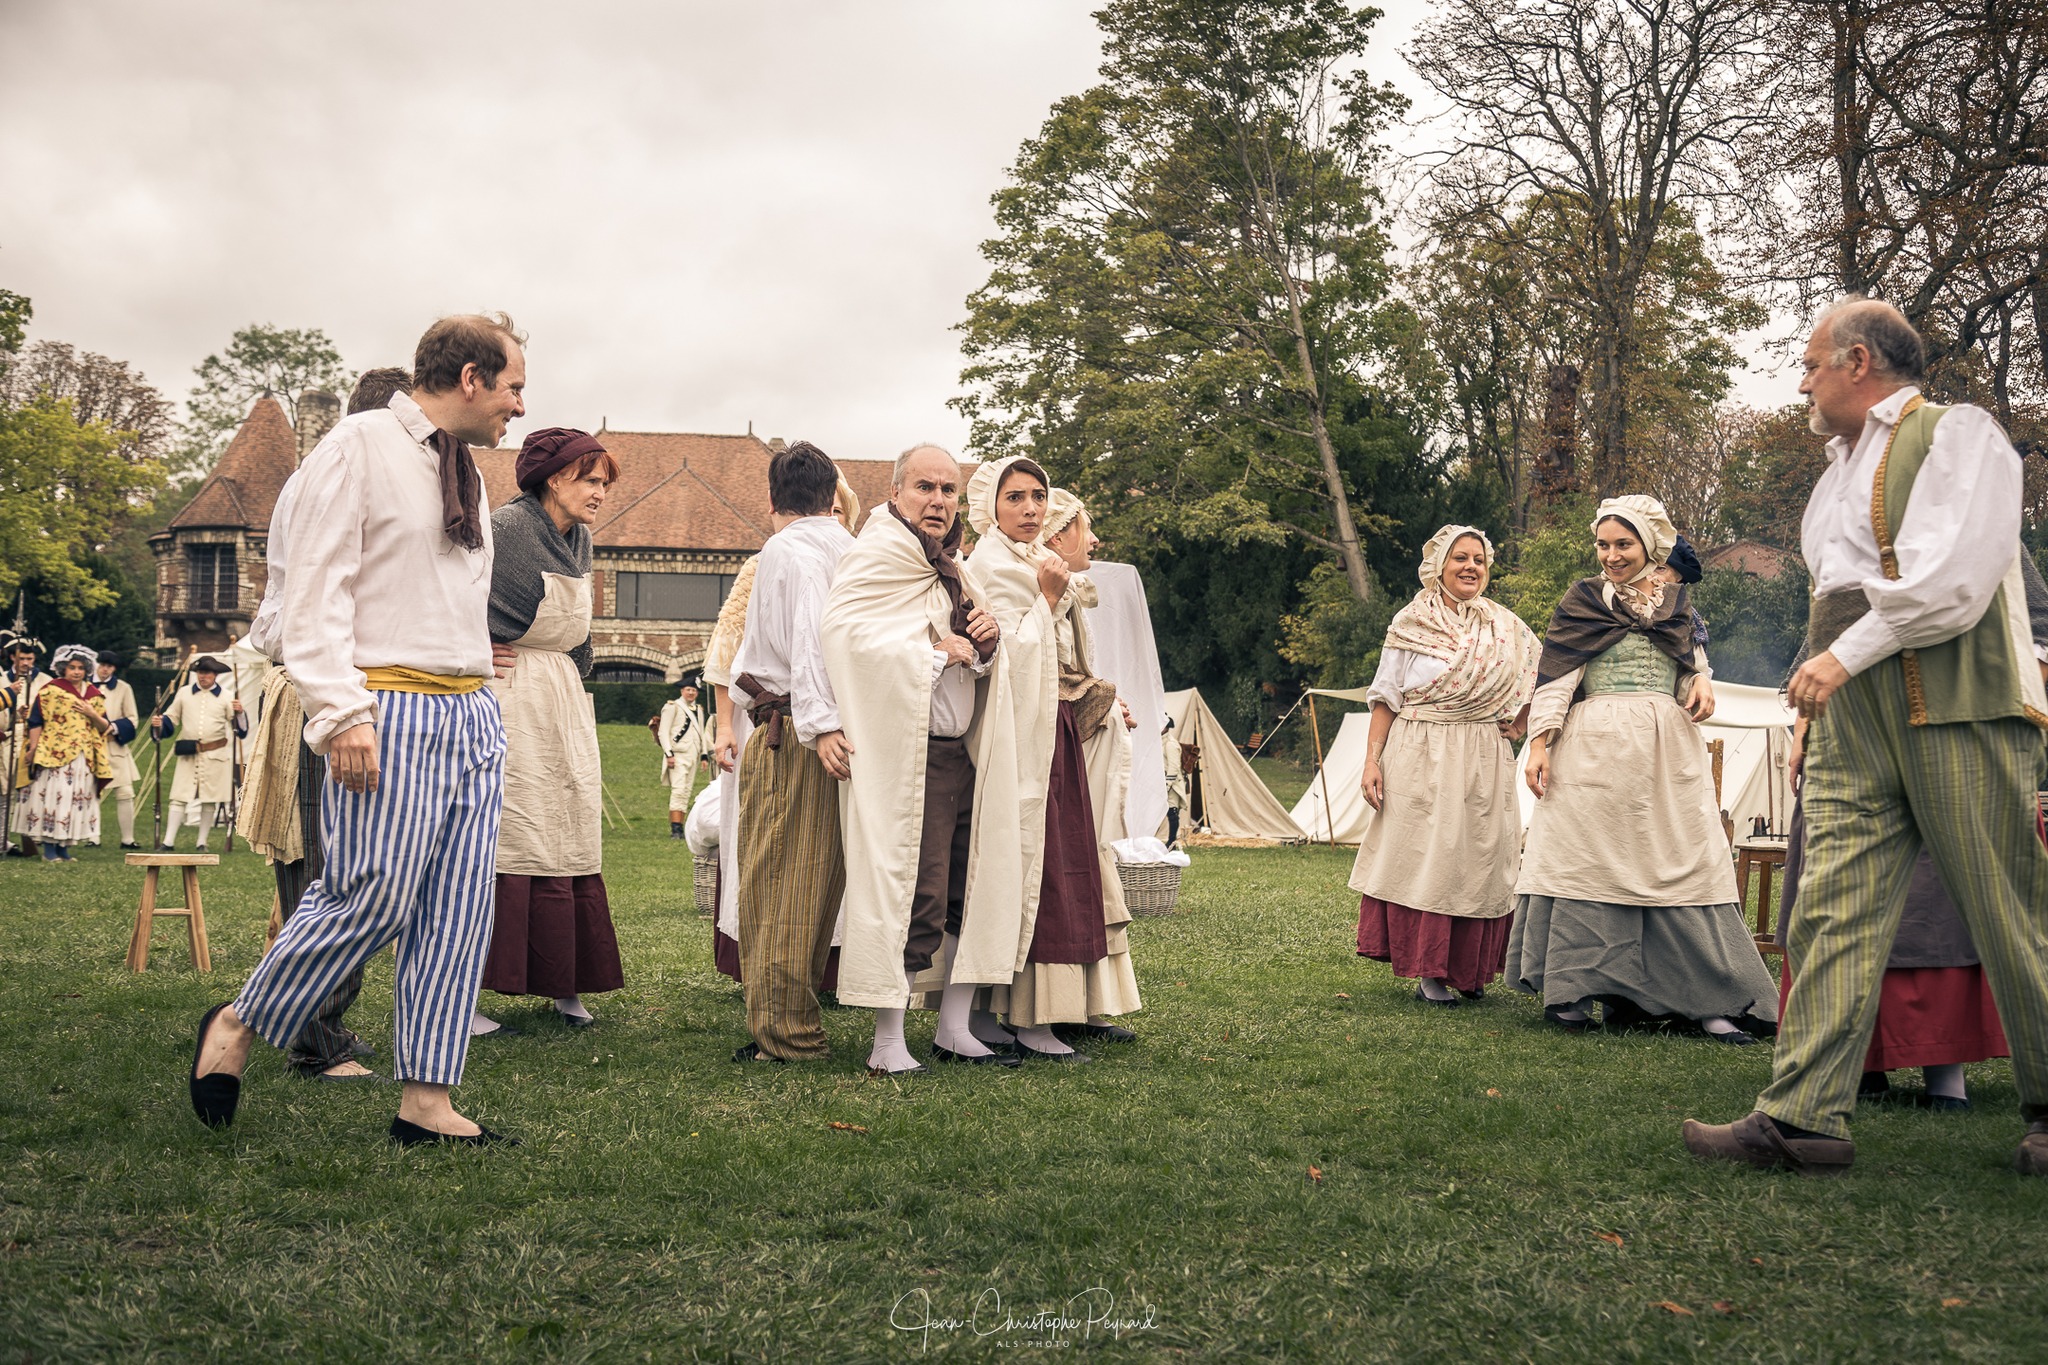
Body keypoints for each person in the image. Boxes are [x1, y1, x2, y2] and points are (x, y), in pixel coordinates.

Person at [1684, 298, 2048, 1176]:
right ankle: (1803, 1115)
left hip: (1952, 696)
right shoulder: (1834, 473)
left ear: (1858, 361)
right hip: (1849, 710)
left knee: (2007, 905)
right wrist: (1815, 704)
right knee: (1829, 906)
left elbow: (1952, 580)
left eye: (1811, 364)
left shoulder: (1959, 435)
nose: (1802, 384)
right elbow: (1834, 600)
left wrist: (1840, 660)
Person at [186, 312, 527, 1147]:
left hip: (470, 711)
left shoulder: (465, 472)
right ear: (472, 378)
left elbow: (427, 589)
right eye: (514, 386)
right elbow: (315, 591)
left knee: (458, 909)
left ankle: (427, 1101)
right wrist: (341, 712)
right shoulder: (357, 448)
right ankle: (236, 1021)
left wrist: (472, 661)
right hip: (388, 706)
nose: (519, 405)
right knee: (370, 891)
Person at [1510, 495, 1778, 1041]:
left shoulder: (1676, 605)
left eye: (1623, 544)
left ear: (1649, 546)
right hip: (1593, 747)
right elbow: (1556, 678)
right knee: (1589, 861)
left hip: (1664, 751)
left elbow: (1691, 669)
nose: (1611, 555)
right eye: (1603, 545)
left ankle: (1707, 996)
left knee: (1677, 860)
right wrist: (1539, 745)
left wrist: (1699, 682)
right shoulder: (1584, 600)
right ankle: (1573, 991)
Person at [232, 363, 418, 1085]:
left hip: (347, 690)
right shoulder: (332, 474)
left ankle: (326, 1021)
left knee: (352, 863)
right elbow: (311, 609)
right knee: (319, 867)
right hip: (319, 694)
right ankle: (312, 1037)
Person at [822, 442, 1016, 1074]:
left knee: (965, 887)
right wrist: (936, 653)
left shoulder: (951, 564)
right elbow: (845, 640)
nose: (937, 501)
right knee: (913, 892)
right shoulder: (877, 556)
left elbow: (974, 646)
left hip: (963, 752)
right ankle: (887, 1042)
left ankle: (953, 1028)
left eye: (948, 490)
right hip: (907, 758)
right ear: (896, 492)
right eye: (925, 488)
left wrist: (986, 641)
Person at [957, 457, 1111, 1062]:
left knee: (1055, 861)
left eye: (1038, 496)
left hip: (1048, 727)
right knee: (1029, 866)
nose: (1030, 508)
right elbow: (1003, 657)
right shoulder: (989, 566)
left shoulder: (1030, 560)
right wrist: (1047, 599)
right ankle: (1026, 1017)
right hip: (1014, 737)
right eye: (1015, 497)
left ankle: (1032, 1010)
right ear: (990, 506)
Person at [473, 428, 624, 1034]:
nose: (600, 493)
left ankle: (565, 982)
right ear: (555, 478)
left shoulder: (579, 538)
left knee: (568, 829)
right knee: (510, 832)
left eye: (604, 483)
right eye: (592, 480)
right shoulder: (505, 530)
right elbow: (451, 598)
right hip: (508, 696)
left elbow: (576, 628)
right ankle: (469, 993)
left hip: (561, 699)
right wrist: (471, 648)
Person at [1353, 525, 1540, 1005]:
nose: (1470, 567)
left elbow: (1543, 672)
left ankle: (1469, 971)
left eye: (1479, 559)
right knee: (1430, 858)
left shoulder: (1504, 626)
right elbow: (1386, 696)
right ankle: (1430, 973)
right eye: (1460, 558)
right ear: (1439, 566)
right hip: (1422, 751)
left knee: (1481, 860)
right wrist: (1372, 761)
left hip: (1484, 754)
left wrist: (1520, 722)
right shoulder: (1411, 621)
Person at [728, 441, 857, 1063]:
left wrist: (819, 724)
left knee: (779, 880)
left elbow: (811, 637)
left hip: (796, 731)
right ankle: (792, 1018)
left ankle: (787, 1035)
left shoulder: (788, 548)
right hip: (828, 730)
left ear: (772, 498)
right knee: (816, 877)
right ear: (831, 495)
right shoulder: (850, 547)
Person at [1031, 486, 1145, 1049]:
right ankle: (1046, 1008)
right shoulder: (1041, 590)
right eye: (1084, 527)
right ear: (1057, 537)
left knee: (1089, 867)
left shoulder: (1072, 594)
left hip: (1075, 743)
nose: (1094, 539)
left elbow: (1074, 673)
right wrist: (1097, 697)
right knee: (1060, 869)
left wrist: (1104, 700)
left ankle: (1086, 1003)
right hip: (1047, 750)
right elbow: (1040, 670)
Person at [13, 644, 111, 860]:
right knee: (55, 798)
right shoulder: (51, 690)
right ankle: (49, 849)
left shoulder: (94, 695)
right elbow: (36, 721)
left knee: (75, 800)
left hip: (83, 756)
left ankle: (64, 848)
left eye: (81, 668)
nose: (76, 672)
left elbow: (105, 726)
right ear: (62, 668)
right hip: (53, 753)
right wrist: (33, 748)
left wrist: (92, 713)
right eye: (72, 667)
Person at [151, 656, 247, 852]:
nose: (203, 677)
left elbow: (239, 729)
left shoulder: (227, 696)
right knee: (178, 797)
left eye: (207, 673)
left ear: (215, 675)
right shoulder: (184, 693)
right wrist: (160, 724)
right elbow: (171, 717)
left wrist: (240, 713)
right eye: (200, 673)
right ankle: (168, 842)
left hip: (216, 755)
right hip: (189, 753)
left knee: (209, 799)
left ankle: (202, 842)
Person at [2, 632, 51, 856]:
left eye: (29, 659)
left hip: (35, 740)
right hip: (8, 739)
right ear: (13, 657)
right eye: (21, 658)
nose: (25, 663)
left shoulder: (45, 681)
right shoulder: (3, 680)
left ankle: (34, 836)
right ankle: (3, 839)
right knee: (5, 791)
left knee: (33, 790)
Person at [92, 652, 141, 848]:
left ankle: (127, 839)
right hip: (91, 747)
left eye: (110, 666)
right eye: (102, 665)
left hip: (115, 746)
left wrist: (112, 727)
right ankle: (93, 838)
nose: (105, 669)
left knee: (125, 792)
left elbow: (133, 719)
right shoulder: (85, 686)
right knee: (92, 793)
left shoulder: (123, 688)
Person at [658, 682, 708, 840]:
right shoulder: (672, 707)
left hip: (693, 755)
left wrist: (704, 755)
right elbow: (663, 732)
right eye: (688, 689)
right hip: (677, 754)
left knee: (686, 791)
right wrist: (669, 753)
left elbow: (701, 732)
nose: (691, 693)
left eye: (694, 690)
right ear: (682, 691)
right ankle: (676, 829)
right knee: (678, 790)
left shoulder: (699, 709)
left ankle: (681, 827)